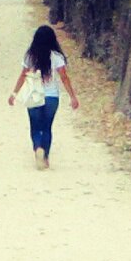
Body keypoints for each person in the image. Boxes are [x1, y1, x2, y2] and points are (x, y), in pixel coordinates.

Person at [8, 24, 79, 169]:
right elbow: (64, 78)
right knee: (47, 127)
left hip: (34, 96)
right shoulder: (57, 57)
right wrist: (73, 96)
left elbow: (23, 75)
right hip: (52, 97)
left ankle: (37, 148)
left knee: (35, 127)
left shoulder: (30, 56)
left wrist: (14, 94)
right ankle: (45, 157)